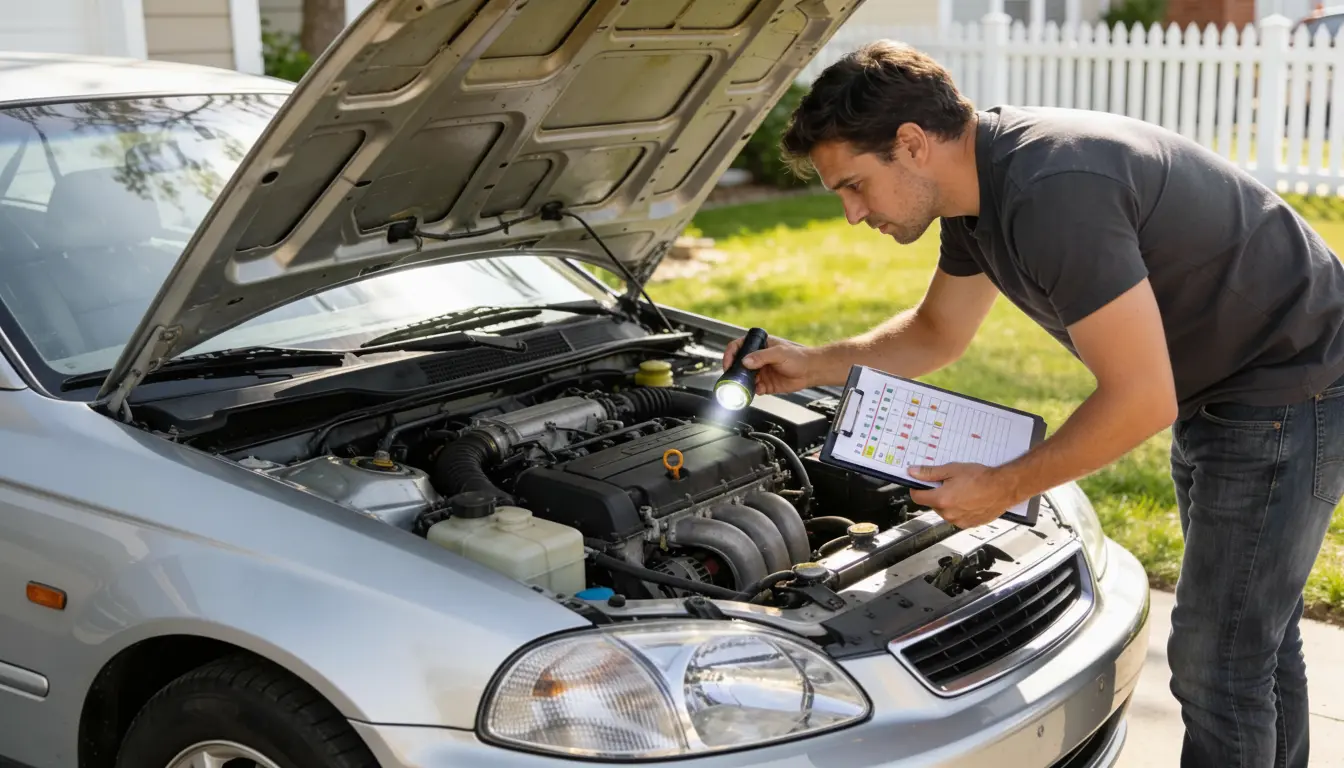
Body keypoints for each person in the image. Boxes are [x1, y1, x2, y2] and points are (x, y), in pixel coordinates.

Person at [721, 40, 1344, 768]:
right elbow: (935, 334)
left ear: (913, 144)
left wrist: (1002, 486)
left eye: (854, 185)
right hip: (1228, 382)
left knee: (1216, 656)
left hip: (1285, 383)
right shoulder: (976, 193)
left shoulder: (1053, 191)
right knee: (1253, 633)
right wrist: (810, 364)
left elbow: (1140, 400)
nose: (854, 213)